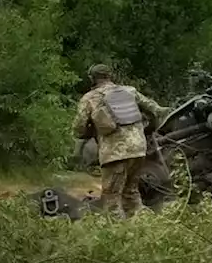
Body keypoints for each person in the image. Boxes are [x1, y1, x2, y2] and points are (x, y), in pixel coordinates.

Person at [72, 64, 168, 219]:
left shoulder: (90, 98)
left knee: (111, 198)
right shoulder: (130, 91)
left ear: (92, 78)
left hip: (115, 153)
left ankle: (119, 236)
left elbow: (78, 128)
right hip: (138, 149)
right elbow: (156, 110)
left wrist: (90, 132)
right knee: (131, 192)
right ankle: (143, 225)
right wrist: (147, 130)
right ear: (110, 76)